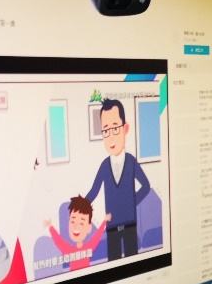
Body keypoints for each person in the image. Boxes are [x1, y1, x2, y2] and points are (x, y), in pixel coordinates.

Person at [86, 98, 151, 260]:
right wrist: (81, 207)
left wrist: (131, 202)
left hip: (130, 223)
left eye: (115, 129)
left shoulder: (131, 161)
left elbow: (146, 186)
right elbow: (94, 191)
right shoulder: (104, 165)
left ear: (125, 128)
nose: (111, 137)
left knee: (132, 261)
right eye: (105, 131)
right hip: (112, 225)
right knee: (113, 261)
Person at [43, 195, 108, 271]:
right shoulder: (70, 251)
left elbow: (97, 237)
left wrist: (104, 221)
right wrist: (50, 227)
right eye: (73, 222)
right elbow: (59, 241)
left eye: (81, 223)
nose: (76, 226)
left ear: (89, 228)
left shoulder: (88, 248)